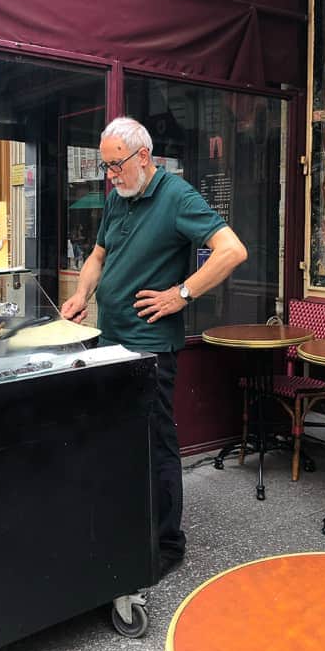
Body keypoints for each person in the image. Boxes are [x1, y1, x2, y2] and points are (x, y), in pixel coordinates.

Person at [61, 116, 247, 578]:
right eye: (106, 166)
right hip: (112, 339)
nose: (110, 174)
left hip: (149, 349)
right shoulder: (117, 199)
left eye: (116, 165)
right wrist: (83, 293)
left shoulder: (177, 196)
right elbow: (99, 255)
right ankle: (128, 525)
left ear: (143, 156)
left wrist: (181, 293)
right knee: (118, 439)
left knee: (156, 442)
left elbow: (231, 250)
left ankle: (167, 543)